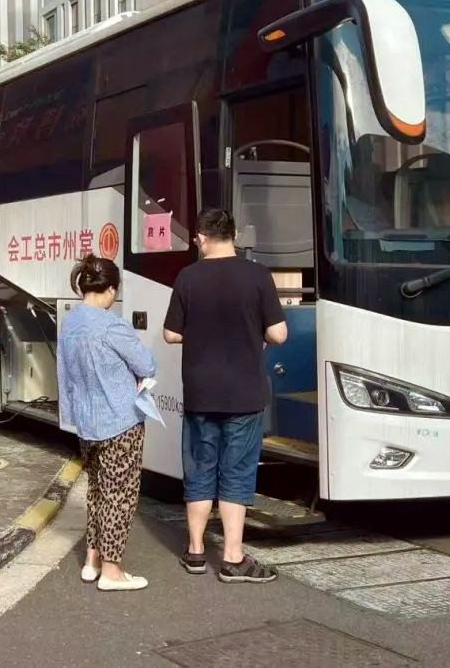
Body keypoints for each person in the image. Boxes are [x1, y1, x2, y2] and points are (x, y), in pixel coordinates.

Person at [163, 207, 288, 584]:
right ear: (232, 235)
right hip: (244, 394)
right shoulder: (257, 275)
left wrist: (199, 333)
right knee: (237, 471)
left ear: (202, 238)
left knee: (200, 468)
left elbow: (171, 334)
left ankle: (196, 551)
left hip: (201, 392)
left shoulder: (187, 277)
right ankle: (233, 558)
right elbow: (278, 334)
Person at [58, 255, 161, 591]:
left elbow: (65, 375)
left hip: (87, 423)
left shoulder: (71, 322)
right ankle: (112, 571)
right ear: (112, 289)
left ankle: (92, 560)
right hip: (120, 420)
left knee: (98, 490)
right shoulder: (111, 325)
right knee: (120, 494)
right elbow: (146, 365)